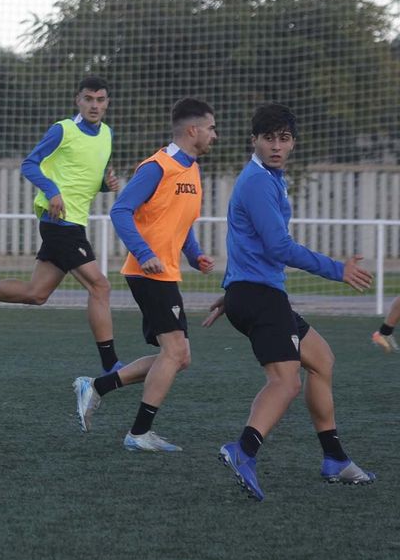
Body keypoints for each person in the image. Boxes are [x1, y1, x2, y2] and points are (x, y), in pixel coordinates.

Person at [208, 104, 376, 501]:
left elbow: (244, 242)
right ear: (255, 140)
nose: (277, 146)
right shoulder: (257, 182)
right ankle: (243, 450)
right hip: (261, 297)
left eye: (284, 139)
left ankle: (334, 458)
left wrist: (231, 292)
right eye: (269, 138)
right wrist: (337, 269)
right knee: (285, 381)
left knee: (321, 359)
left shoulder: (270, 178)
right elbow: (278, 246)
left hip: (255, 294)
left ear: (293, 143)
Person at [0, 76, 125, 374]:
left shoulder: (108, 135)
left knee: (36, 294)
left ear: (107, 103)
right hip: (60, 223)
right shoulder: (63, 129)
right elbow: (30, 163)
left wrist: (105, 184)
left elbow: (83, 177)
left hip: (74, 222)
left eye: (100, 100)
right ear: (78, 100)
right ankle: (111, 365)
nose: (94, 105)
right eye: (88, 99)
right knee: (100, 286)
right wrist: (52, 192)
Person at [74, 98, 217, 452]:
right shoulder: (157, 167)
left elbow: (180, 223)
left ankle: (97, 387)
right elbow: (120, 211)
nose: (216, 135)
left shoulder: (193, 169)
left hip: (165, 273)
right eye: (212, 128)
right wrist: (145, 253)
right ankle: (138, 434)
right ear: (193, 130)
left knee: (180, 357)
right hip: (147, 272)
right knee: (174, 352)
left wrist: (194, 253)